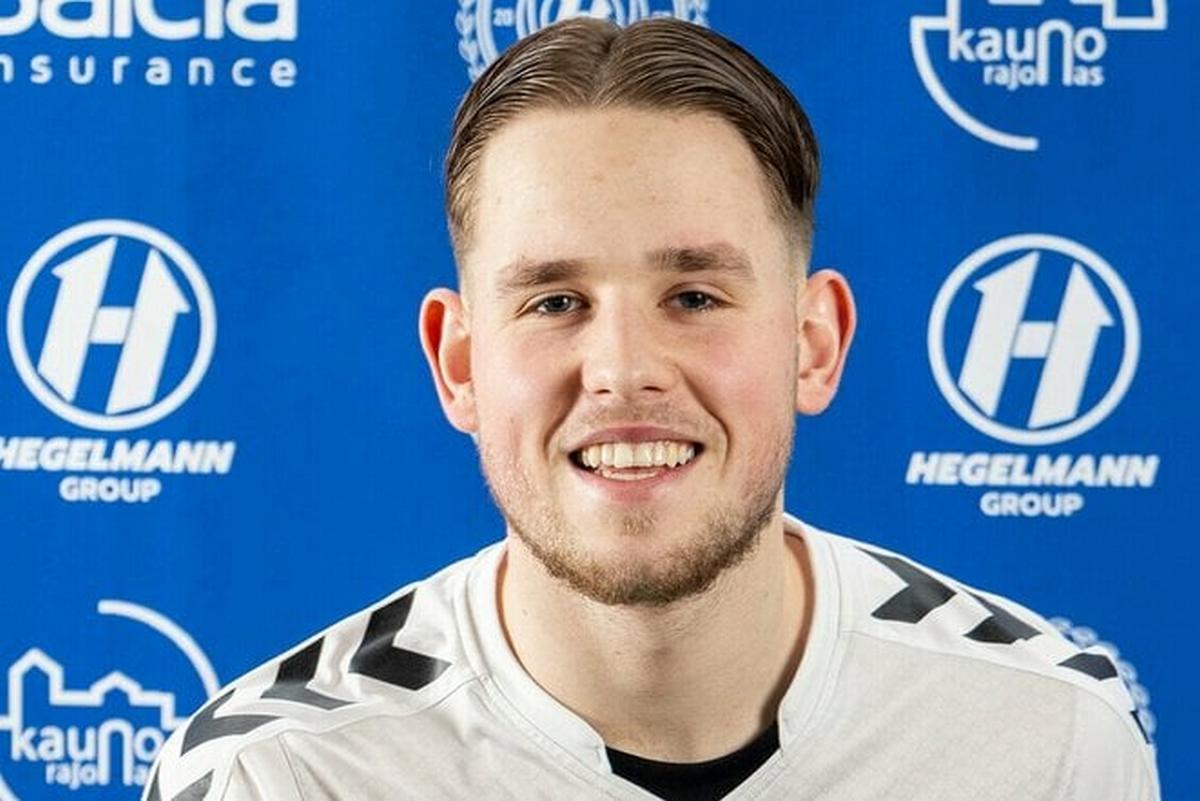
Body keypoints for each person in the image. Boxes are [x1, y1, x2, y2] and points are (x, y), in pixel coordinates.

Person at [145, 17, 1158, 801]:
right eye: (555, 302)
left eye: (695, 297)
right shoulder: (281, 774)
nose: (624, 370)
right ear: (459, 364)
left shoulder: (1048, 730)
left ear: (814, 344)